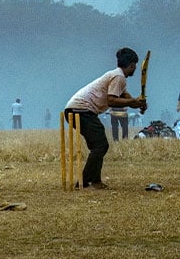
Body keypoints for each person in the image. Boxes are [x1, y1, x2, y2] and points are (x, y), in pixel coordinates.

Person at [63, 47, 147, 189]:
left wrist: (138, 104)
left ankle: (95, 181)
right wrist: (134, 102)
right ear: (132, 65)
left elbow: (126, 98)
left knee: (99, 146)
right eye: (135, 66)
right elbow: (112, 101)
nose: (135, 69)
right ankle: (84, 182)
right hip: (81, 110)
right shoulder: (118, 77)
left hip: (79, 110)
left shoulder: (118, 77)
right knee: (100, 145)